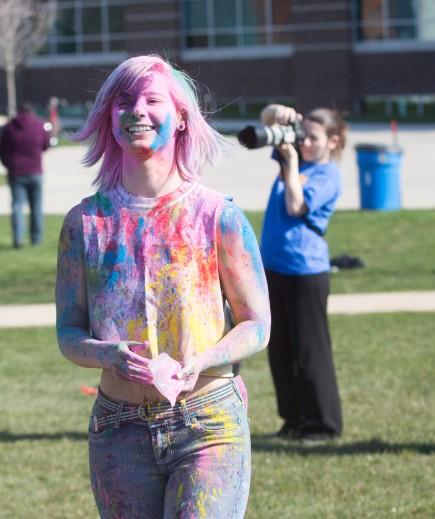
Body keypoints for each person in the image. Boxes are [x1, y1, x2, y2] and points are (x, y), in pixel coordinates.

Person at [55, 55, 270, 518]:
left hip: (208, 420)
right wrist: (105, 354)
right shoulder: (84, 224)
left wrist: (206, 359)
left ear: (181, 120)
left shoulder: (218, 216)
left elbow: (257, 324)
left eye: (152, 100)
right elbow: (68, 334)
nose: (136, 111)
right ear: (108, 118)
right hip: (119, 427)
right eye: (123, 101)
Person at [258, 103, 347, 443]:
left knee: (310, 351)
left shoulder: (325, 175)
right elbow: (263, 125)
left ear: (334, 142)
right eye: (303, 136)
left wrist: (292, 163)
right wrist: (275, 113)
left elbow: (296, 206)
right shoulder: (296, 160)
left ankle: (323, 425)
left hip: (305, 271)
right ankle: (293, 420)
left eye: (313, 137)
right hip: (274, 267)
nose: (305, 143)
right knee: (280, 350)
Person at [0, 102, 50, 248]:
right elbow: (46, 145)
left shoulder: (9, 128)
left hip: (16, 172)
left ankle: (18, 239)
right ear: (31, 111)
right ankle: (36, 239)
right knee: (36, 207)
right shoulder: (39, 125)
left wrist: (8, 165)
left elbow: (1, 150)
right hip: (35, 171)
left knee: (17, 206)